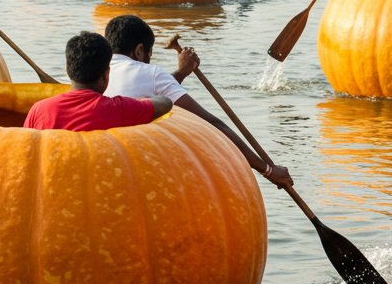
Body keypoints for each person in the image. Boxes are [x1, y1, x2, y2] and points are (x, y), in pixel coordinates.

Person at [102, 15, 292, 188]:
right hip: (141, 165)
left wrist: (182, 73)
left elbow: (149, 90)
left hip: (105, 162)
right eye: (149, 56)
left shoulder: (94, 72)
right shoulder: (152, 74)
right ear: (139, 51)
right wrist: (266, 169)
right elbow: (212, 124)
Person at [24, 32, 171, 132]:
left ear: (67, 70)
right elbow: (165, 102)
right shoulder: (118, 109)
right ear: (106, 75)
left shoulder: (39, 110)